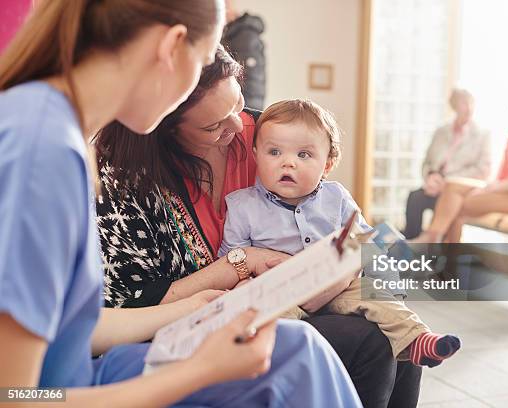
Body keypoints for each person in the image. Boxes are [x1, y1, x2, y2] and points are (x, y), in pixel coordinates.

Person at [0, 1, 362, 407]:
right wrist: (200, 371)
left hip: (81, 370)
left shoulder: (53, 125)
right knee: (300, 353)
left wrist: (191, 307)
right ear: (172, 48)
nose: (236, 126)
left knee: (301, 345)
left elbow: (68, 327)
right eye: (204, 59)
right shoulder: (44, 153)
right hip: (65, 390)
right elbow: (16, 397)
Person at [95, 46, 423, 408]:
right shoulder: (124, 183)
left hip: (319, 288)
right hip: (220, 313)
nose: (237, 127)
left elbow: (346, 224)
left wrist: (342, 272)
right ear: (161, 126)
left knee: (403, 342)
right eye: (212, 126)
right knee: (369, 341)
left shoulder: (271, 138)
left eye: (236, 103)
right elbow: (129, 306)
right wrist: (241, 261)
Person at [219, 99, 461, 367]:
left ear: (327, 164)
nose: (288, 163)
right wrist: (246, 284)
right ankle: (289, 363)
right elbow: (230, 260)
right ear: (255, 156)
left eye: (303, 155)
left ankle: (418, 340)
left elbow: (368, 244)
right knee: (266, 311)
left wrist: (390, 290)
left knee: (372, 291)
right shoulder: (242, 205)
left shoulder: (337, 197)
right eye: (274, 152)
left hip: (338, 289)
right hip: (279, 291)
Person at [412, 86, 508, 243]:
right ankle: (436, 247)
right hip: (503, 193)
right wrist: (489, 188)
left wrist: (495, 187)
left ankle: (431, 242)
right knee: (453, 189)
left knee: (460, 205)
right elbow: (503, 172)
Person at [404, 89, 491, 239]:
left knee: (445, 206)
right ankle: (410, 248)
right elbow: (427, 162)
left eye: (471, 102)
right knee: (415, 198)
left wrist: (448, 181)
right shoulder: (441, 132)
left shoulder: (482, 135)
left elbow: (483, 170)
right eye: (464, 103)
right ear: (455, 106)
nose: (469, 107)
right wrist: (431, 177)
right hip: (435, 185)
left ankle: (433, 252)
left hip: (457, 189)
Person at [222, 0, 265, 110]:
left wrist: (246, 114)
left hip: (242, 109)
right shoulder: (232, 33)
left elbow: (250, 80)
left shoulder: (244, 35)